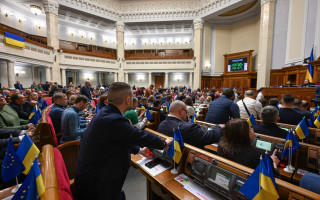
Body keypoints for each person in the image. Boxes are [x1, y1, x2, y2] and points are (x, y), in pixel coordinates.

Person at [75, 82, 172, 200]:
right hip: (98, 186)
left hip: (98, 177)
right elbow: (139, 135)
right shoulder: (114, 120)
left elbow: (120, 138)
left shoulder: (105, 113)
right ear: (128, 99)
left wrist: (140, 151)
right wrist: (163, 143)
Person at [158, 100, 224, 149]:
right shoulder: (188, 128)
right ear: (180, 110)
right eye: (185, 111)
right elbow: (209, 137)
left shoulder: (161, 124)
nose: (186, 114)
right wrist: (218, 127)